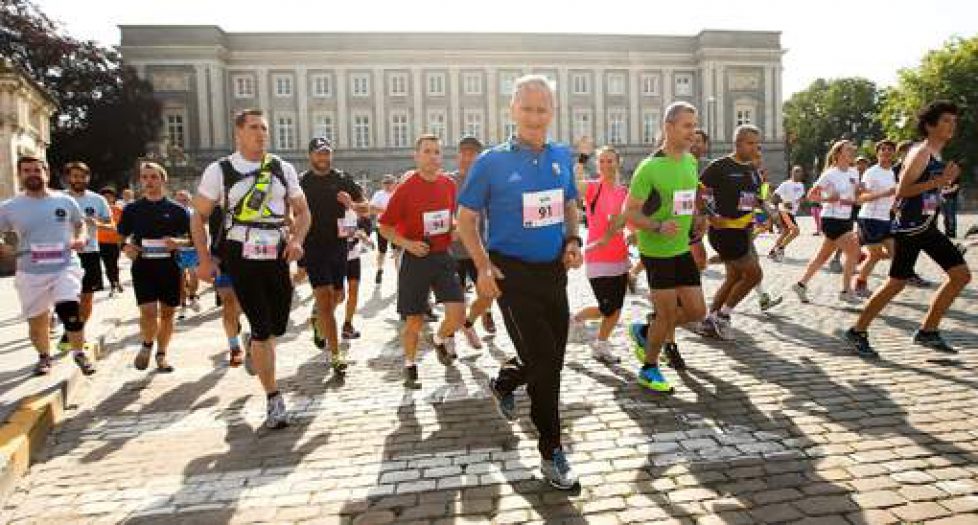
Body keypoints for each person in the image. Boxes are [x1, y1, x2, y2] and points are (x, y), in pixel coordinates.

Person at [457, 75, 582, 490]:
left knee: (550, 360)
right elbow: (467, 221)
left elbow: (568, 204)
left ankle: (505, 381)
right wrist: (482, 267)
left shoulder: (561, 156)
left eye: (542, 108)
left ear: (553, 112)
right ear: (512, 110)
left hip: (553, 273)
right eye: (526, 108)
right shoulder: (490, 162)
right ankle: (552, 451)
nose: (534, 116)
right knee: (547, 364)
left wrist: (572, 239)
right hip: (511, 273)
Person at [192, 109, 311, 430]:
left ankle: (255, 346)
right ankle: (273, 397)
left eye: (265, 128)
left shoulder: (281, 168)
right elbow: (198, 216)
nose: (261, 134)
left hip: (276, 252)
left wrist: (297, 240)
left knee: (276, 327)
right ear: (239, 133)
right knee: (261, 327)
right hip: (240, 253)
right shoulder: (220, 170)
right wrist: (204, 259)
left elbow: (302, 211)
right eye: (254, 128)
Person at [846, 101, 971, 357]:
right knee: (895, 283)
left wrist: (943, 188)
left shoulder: (936, 155)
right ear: (929, 125)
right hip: (909, 229)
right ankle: (857, 331)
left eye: (954, 121)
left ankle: (928, 331)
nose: (952, 125)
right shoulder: (920, 153)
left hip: (926, 226)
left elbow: (926, 191)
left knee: (961, 276)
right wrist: (940, 181)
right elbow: (903, 190)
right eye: (946, 120)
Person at [618, 101, 706, 389]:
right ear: (668, 128)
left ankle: (647, 330)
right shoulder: (650, 167)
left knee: (696, 311)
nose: (693, 132)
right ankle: (649, 367)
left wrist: (695, 218)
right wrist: (657, 226)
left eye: (694, 126)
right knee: (667, 314)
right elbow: (629, 213)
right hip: (656, 251)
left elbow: (685, 198)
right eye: (686, 126)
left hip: (681, 248)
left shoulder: (691, 161)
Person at [379, 134, 466, 389]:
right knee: (414, 321)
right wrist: (408, 245)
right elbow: (384, 227)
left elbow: (449, 219)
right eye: (427, 151)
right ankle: (409, 364)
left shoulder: (448, 184)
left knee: (458, 313)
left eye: (437, 151)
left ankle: (439, 339)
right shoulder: (406, 188)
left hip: (441, 256)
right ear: (416, 156)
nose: (432, 156)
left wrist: (454, 228)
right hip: (415, 259)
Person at [0, 156, 96, 376]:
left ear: (47, 173)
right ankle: (44, 356)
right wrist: (5, 248)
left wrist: (80, 238)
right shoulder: (9, 207)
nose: (32, 174)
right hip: (30, 271)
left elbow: (79, 224)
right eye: (27, 171)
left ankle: (79, 353)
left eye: (37, 170)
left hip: (64, 265)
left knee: (69, 307)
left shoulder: (64, 201)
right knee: (38, 322)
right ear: (20, 175)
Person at [697, 125, 773, 338]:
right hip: (724, 232)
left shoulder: (752, 169)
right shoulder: (719, 166)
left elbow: (755, 197)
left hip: (744, 231)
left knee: (733, 278)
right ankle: (722, 316)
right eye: (750, 143)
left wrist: (767, 210)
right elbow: (698, 192)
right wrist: (711, 215)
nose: (755, 148)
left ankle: (709, 321)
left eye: (757, 144)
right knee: (754, 274)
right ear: (737, 143)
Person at [300, 137, 368, 372]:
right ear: (310, 156)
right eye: (319, 154)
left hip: (339, 246)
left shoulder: (341, 179)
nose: (324, 158)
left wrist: (351, 204)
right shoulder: (302, 182)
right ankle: (336, 354)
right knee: (325, 300)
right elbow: (293, 214)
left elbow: (365, 207)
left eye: (327, 153)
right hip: (313, 247)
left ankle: (318, 318)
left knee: (338, 296)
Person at [117, 163, 190, 373]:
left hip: (170, 267)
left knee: (167, 314)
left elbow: (192, 239)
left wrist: (178, 242)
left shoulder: (177, 210)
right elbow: (121, 235)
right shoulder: (132, 209)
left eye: (153, 177)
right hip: (143, 266)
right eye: (145, 177)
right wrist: (125, 247)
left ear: (162, 180)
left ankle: (162, 354)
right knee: (148, 312)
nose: (149, 181)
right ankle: (147, 345)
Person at [571, 145, 630, 363]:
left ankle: (600, 344)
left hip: (620, 256)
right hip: (597, 256)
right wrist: (582, 158)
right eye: (602, 161)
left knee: (614, 309)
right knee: (608, 307)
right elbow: (573, 183)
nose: (606, 165)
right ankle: (578, 319)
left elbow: (630, 221)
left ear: (618, 162)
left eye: (610, 161)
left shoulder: (625, 192)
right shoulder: (593, 188)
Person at [791, 140, 863, 305]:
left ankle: (801, 284)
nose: (852, 151)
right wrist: (827, 198)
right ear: (838, 154)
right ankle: (846, 290)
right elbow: (810, 196)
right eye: (848, 149)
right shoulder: (830, 174)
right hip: (831, 219)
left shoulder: (854, 172)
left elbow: (856, 194)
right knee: (854, 251)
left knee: (822, 258)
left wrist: (861, 195)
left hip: (846, 218)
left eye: (853, 149)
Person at [450, 135, 496, 350]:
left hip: (479, 249)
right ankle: (447, 341)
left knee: (487, 295)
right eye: (464, 153)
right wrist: (451, 228)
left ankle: (469, 323)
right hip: (452, 252)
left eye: (473, 153)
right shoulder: (449, 182)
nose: (468, 157)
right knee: (454, 305)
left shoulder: (487, 181)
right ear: (458, 155)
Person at [63, 161, 113, 350]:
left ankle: (77, 332)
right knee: (66, 297)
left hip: (90, 252)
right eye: (74, 176)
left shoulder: (98, 200)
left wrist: (96, 223)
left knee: (86, 297)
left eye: (82, 176)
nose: (78, 180)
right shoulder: (59, 198)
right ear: (68, 178)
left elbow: (111, 225)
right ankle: (69, 329)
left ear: (88, 178)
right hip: (65, 253)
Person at [853, 140, 898, 297]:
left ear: (894, 153)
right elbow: (860, 197)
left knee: (896, 254)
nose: (886, 152)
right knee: (876, 255)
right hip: (870, 219)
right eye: (883, 149)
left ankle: (892, 284)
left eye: (890, 149)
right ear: (877, 153)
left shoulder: (892, 172)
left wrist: (896, 208)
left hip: (886, 219)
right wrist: (884, 194)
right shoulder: (871, 172)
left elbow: (892, 197)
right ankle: (860, 283)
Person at [342, 213, 373, 339]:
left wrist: (365, 237)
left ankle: (347, 325)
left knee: (353, 292)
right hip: (337, 258)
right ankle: (321, 319)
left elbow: (363, 229)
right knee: (338, 296)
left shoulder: (356, 212)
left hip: (354, 258)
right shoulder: (333, 209)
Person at [768, 165, 806, 261]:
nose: (798, 173)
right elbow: (774, 196)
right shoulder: (785, 184)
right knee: (796, 231)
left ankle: (772, 252)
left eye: (800, 171)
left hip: (792, 213)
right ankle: (780, 249)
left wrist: (802, 200)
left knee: (786, 232)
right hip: (784, 211)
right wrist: (784, 202)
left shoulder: (801, 185)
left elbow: (801, 197)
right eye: (796, 171)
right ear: (791, 173)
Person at [173, 189, 200, 319]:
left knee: (194, 276)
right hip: (178, 251)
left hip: (192, 250)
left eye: (184, 200)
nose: (181, 203)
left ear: (189, 201)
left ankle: (193, 295)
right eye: (178, 200)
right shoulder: (170, 214)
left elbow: (201, 233)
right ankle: (183, 306)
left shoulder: (194, 214)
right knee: (180, 280)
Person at [96, 186, 124, 295]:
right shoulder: (97, 210)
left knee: (114, 263)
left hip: (115, 241)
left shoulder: (118, 210)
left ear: (113, 198)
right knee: (108, 264)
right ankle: (113, 284)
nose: (107, 199)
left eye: (109, 196)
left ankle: (117, 281)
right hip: (101, 241)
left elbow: (124, 226)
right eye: (104, 196)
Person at [369, 175, 397, 284]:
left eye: (390, 183)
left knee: (397, 251)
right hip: (382, 226)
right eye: (385, 183)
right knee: (382, 251)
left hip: (396, 227)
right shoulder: (378, 194)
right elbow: (371, 209)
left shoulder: (398, 193)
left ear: (394, 183)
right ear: (382, 184)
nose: (388, 185)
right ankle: (379, 270)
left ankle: (399, 275)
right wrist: (386, 211)